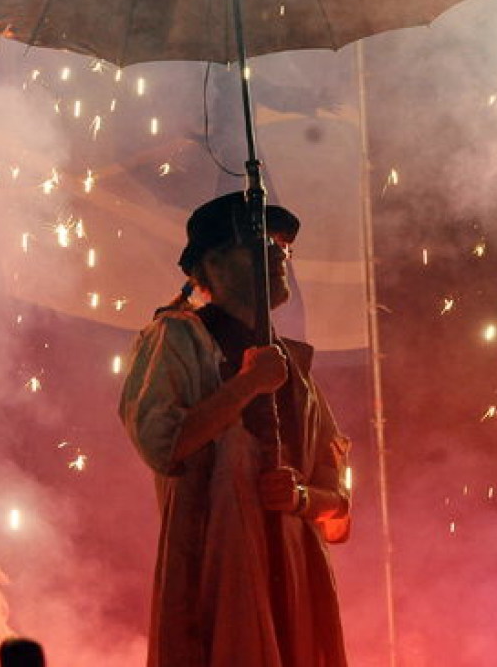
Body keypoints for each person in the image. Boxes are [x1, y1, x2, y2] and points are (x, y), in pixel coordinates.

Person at [119, 191, 351, 667]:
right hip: (218, 572)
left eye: (281, 246)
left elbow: (338, 498)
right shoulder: (179, 337)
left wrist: (301, 497)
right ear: (210, 267)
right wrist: (245, 387)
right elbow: (164, 444)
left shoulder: (296, 368)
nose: (277, 255)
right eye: (257, 242)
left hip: (296, 583)